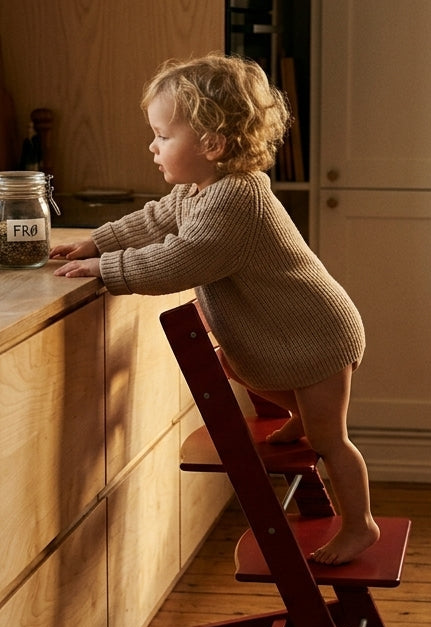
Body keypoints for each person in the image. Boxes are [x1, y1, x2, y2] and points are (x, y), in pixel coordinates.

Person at [51, 53, 380, 565]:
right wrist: (97, 242)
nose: (152, 146)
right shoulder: (199, 190)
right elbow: (155, 221)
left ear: (211, 143)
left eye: (163, 135)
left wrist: (107, 268)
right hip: (286, 335)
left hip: (318, 335)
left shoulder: (235, 200)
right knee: (236, 364)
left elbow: (181, 260)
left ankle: (361, 525)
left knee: (329, 440)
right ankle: (298, 413)